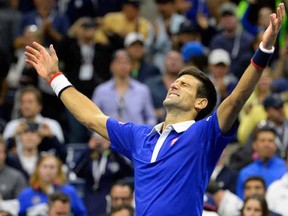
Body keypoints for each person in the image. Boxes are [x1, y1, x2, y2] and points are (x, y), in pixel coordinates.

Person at [24, 3, 286, 215]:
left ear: (200, 103)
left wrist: (265, 49)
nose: (175, 84)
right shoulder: (141, 137)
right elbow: (92, 118)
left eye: (184, 84)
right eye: (176, 80)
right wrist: (55, 76)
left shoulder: (205, 134)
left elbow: (237, 98)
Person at [73, 132, 133, 216]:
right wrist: (88, 149)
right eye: (96, 138)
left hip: (110, 196)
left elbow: (128, 171)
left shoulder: (113, 157)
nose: (99, 142)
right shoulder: (89, 157)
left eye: (103, 138)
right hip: (90, 197)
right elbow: (76, 171)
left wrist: (112, 148)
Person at [17, 154, 87, 216]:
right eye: (45, 167)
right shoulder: (26, 194)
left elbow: (82, 213)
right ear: (38, 169)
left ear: (58, 170)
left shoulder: (69, 192)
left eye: (52, 167)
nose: (48, 170)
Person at [236, 125, 287, 199]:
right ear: (255, 145)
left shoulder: (285, 168)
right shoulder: (245, 173)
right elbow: (241, 201)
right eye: (262, 140)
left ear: (275, 145)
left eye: (270, 141)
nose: (267, 144)